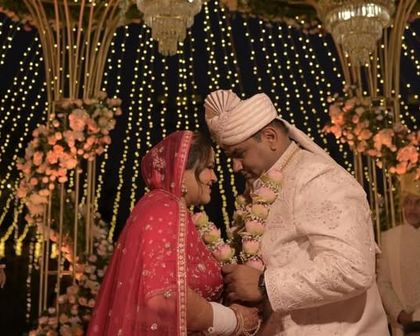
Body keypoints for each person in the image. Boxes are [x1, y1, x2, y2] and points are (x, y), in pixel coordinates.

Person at [204, 89, 388, 335]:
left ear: (270, 137)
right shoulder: (262, 186)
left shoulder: (318, 179)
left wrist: (263, 285)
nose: (236, 167)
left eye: (239, 154)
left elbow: (353, 268)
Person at [88, 130, 260, 335]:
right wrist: (233, 320)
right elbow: (163, 295)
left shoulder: (165, 208)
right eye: (209, 167)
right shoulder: (165, 208)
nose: (214, 177)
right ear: (182, 169)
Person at [377, 173, 420, 336]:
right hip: (401, 325)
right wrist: (401, 315)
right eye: (408, 202)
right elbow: (383, 283)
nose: (412, 209)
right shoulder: (389, 238)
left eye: (418, 203)